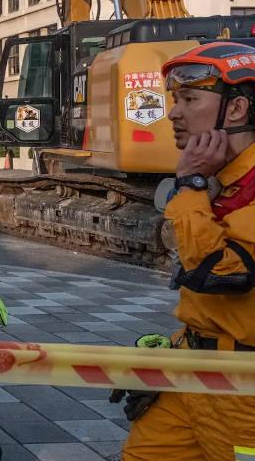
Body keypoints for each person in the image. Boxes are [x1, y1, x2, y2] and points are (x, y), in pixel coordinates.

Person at [118, 42, 255, 461]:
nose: (173, 113)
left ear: (236, 110)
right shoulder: (222, 180)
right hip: (192, 366)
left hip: (241, 389)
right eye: (174, 100)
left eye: (189, 99)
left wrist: (191, 187)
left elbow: (220, 274)